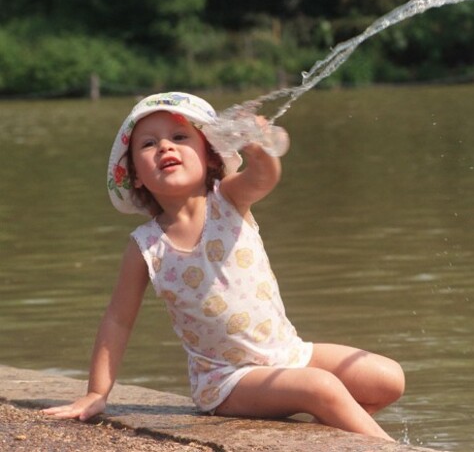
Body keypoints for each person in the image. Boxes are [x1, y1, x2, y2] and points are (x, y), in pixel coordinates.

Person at [43, 92, 404, 441]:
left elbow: (264, 176)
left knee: (388, 378)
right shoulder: (146, 246)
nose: (165, 147)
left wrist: (255, 145)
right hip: (228, 380)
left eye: (179, 137)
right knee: (321, 386)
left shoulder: (229, 200)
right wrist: (96, 393)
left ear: (210, 155)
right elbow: (118, 320)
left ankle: (328, 430)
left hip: (287, 353)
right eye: (148, 144)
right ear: (135, 174)